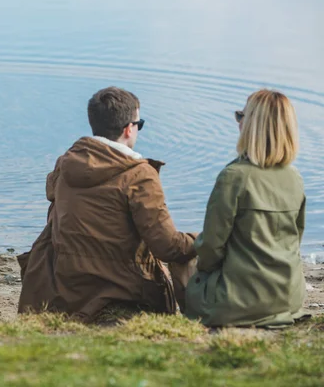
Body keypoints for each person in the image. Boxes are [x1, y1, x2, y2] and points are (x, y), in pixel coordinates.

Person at [17, 86, 197, 322]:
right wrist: (206, 238)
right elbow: (167, 247)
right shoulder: (139, 174)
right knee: (196, 249)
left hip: (66, 288)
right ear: (128, 129)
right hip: (125, 291)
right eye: (138, 124)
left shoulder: (67, 163)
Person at [185, 89, 308, 328]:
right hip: (289, 298)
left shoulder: (233, 177)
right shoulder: (296, 179)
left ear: (250, 126)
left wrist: (202, 271)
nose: (238, 122)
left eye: (241, 116)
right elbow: (295, 239)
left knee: (188, 274)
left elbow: (211, 247)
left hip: (236, 303)